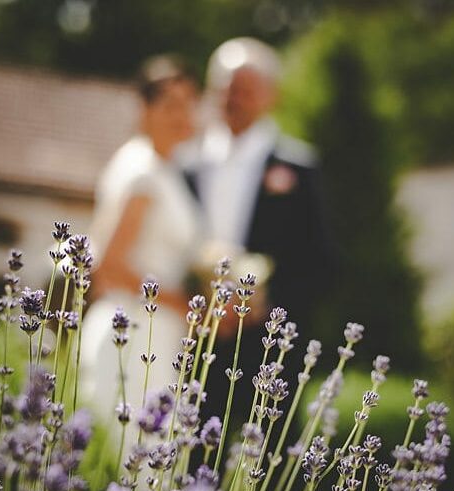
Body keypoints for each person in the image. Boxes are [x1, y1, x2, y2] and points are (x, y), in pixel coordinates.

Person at [176, 37, 333, 429]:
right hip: (191, 344)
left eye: (246, 89)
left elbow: (321, 262)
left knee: (262, 467)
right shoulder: (183, 164)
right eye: (226, 88)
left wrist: (264, 306)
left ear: (271, 95)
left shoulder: (299, 169)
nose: (234, 98)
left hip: (268, 351)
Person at [81, 55, 202, 442]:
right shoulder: (142, 171)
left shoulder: (165, 168)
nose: (180, 115)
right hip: (133, 333)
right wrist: (184, 304)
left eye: (187, 104)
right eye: (169, 104)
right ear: (144, 108)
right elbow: (110, 265)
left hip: (157, 332)